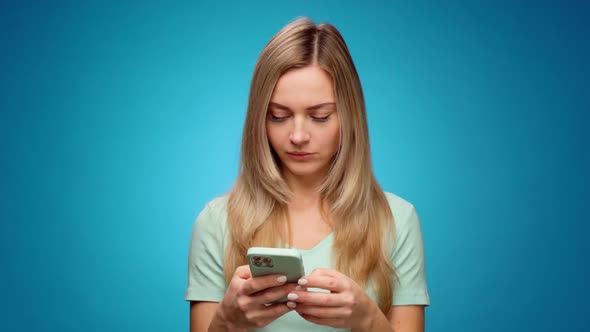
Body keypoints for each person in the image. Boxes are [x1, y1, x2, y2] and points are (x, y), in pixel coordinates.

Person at [186, 17, 430, 332]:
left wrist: (368, 320)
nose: (298, 135)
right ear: (259, 119)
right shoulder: (216, 222)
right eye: (279, 116)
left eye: (319, 116)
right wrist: (227, 322)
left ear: (349, 116)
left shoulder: (397, 219)